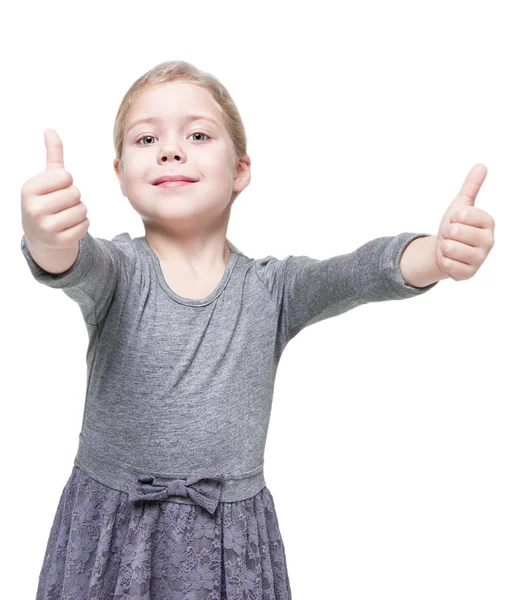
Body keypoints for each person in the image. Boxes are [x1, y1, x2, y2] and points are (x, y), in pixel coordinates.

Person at [19, 60, 494, 600]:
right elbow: (67, 261)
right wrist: (45, 232)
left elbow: (354, 272)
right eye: (147, 137)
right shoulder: (118, 274)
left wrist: (437, 252)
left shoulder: (274, 289)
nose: (171, 149)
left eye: (197, 134)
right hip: (112, 531)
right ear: (121, 174)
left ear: (240, 169)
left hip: (228, 543)